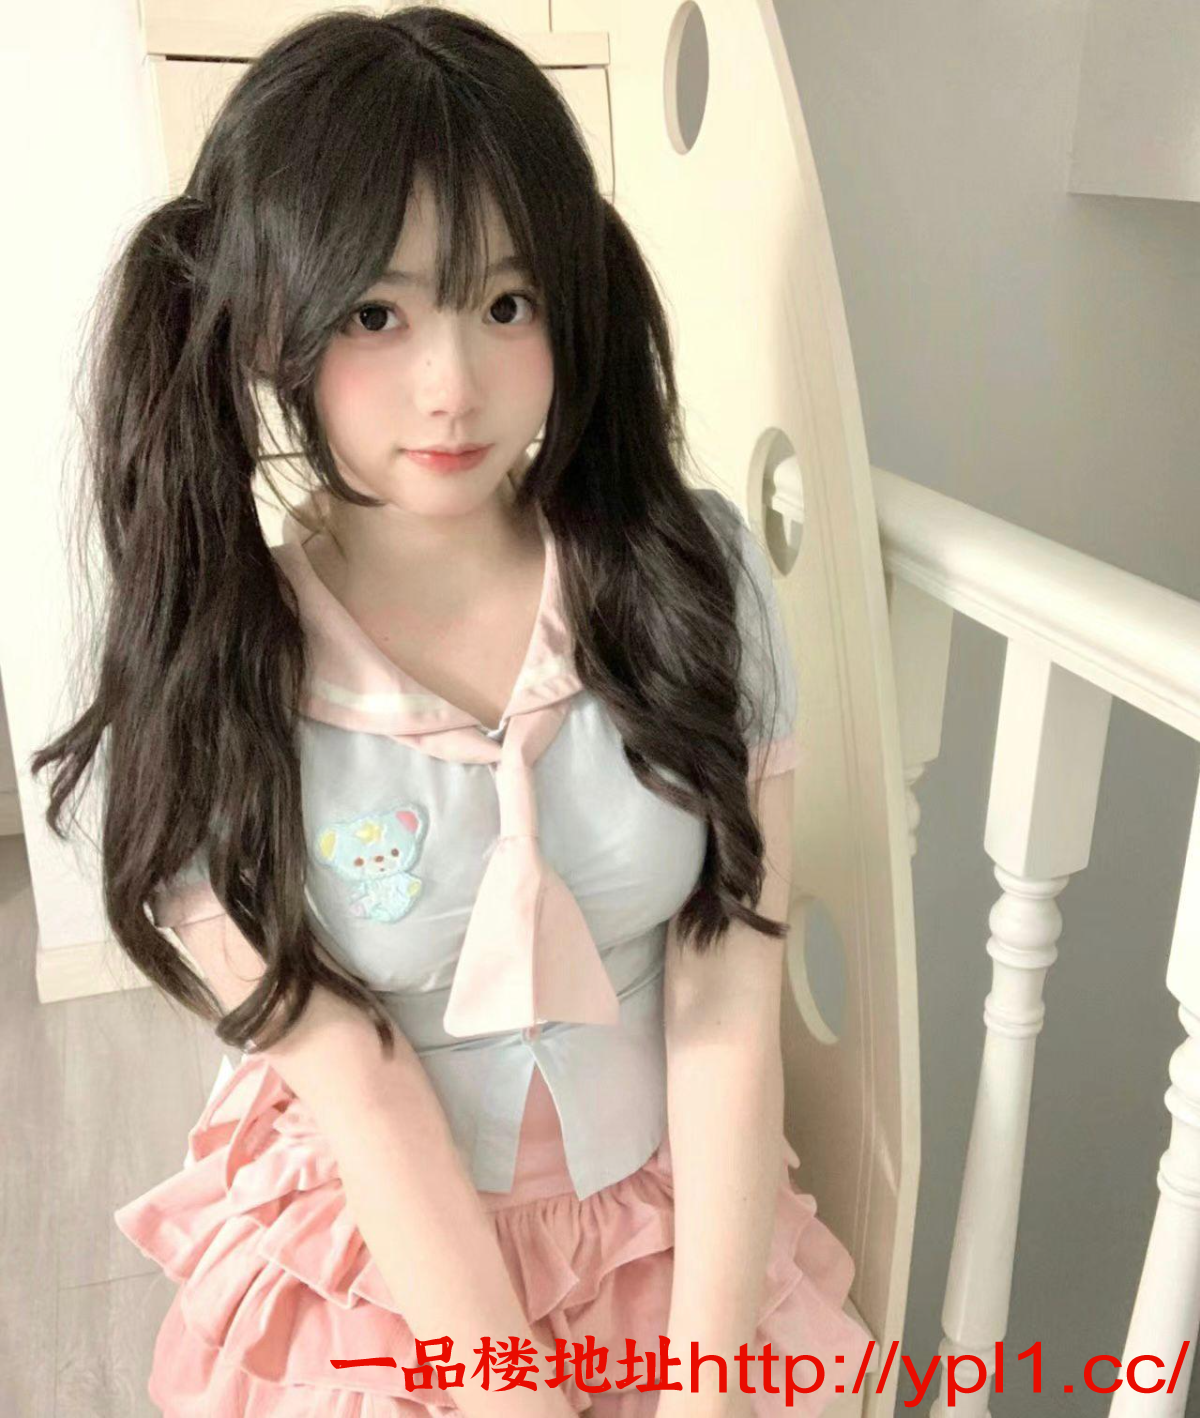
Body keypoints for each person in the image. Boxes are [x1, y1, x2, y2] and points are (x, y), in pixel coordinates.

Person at [31, 7, 873, 1416]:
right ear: (270, 324)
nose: (453, 386)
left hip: (678, 1237)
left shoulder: (692, 577)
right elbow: (353, 1077)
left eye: (506, 303)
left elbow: (730, 989)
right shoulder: (215, 667)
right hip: (386, 1265)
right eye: (376, 314)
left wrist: (710, 1381)